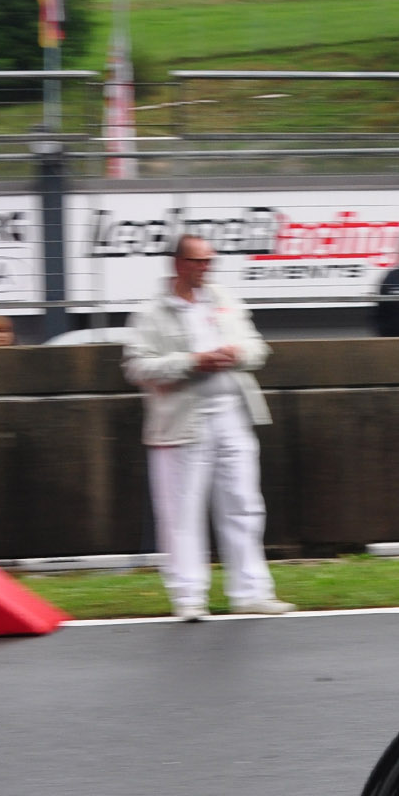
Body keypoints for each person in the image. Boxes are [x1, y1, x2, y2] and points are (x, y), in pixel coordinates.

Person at [122, 234, 294, 621]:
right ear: (178, 264)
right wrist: (191, 362)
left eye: (209, 261)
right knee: (181, 512)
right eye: (198, 261)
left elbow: (258, 348)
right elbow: (136, 367)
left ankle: (251, 592)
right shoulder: (152, 313)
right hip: (182, 422)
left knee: (244, 505)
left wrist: (237, 353)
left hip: (233, 415)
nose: (206, 268)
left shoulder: (223, 300)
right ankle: (188, 596)